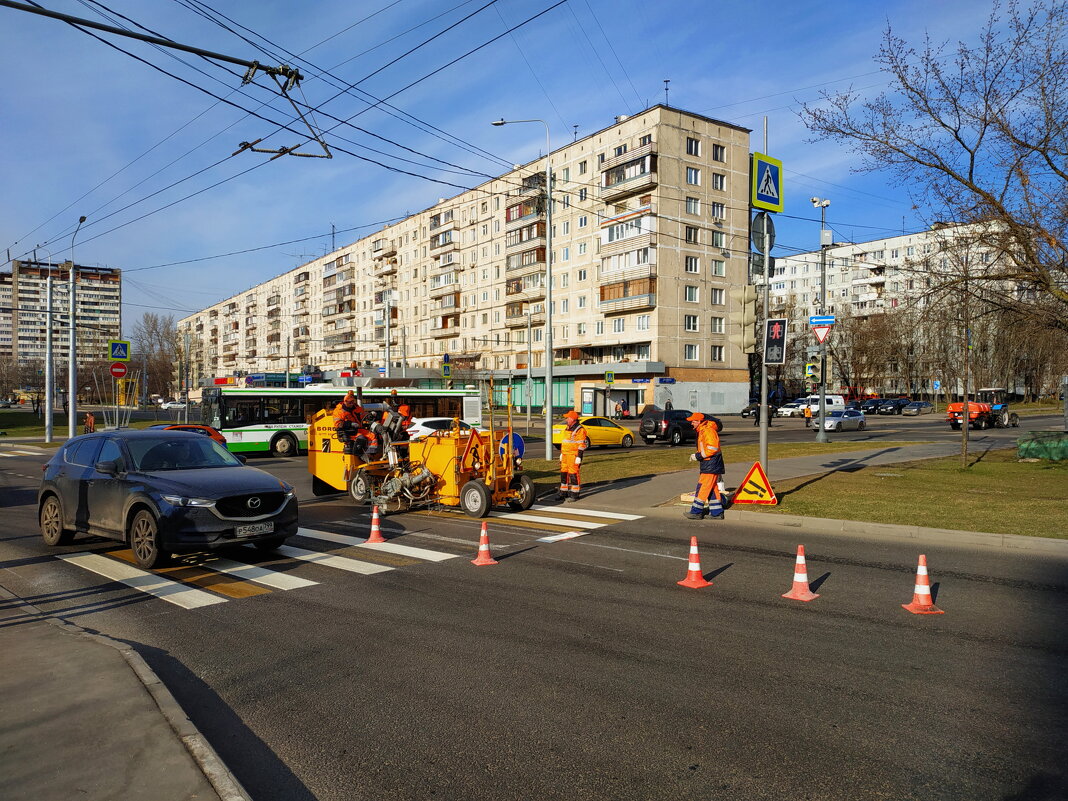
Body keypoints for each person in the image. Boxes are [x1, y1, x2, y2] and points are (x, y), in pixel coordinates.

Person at [685, 412, 725, 520]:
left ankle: (696, 512)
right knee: (712, 488)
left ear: (699, 422)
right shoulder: (703, 430)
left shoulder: (707, 430)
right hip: (710, 463)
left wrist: (697, 456)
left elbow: (712, 448)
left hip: (711, 463)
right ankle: (717, 512)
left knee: (702, 487)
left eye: (693, 421)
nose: (691, 423)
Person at [557, 410, 588, 502]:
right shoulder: (568, 427)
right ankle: (563, 493)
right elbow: (565, 442)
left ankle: (575, 494)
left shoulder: (580, 430)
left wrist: (579, 456)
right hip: (566, 454)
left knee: (573, 474)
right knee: (563, 473)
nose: (566, 419)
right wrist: (562, 453)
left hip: (573, 455)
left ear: (572, 419)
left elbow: (581, 445)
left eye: (568, 418)